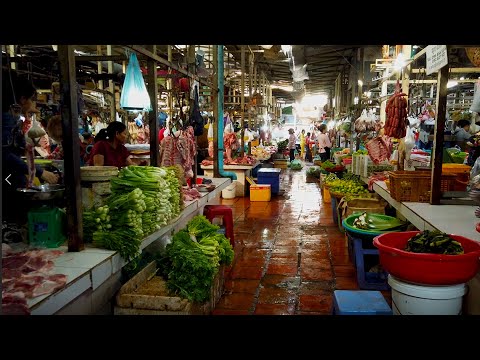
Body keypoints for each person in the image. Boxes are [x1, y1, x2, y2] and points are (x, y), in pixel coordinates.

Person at [2, 69, 59, 222]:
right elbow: (5, 156)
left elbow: (17, 146)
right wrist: (40, 172)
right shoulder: (6, 118)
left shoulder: (13, 118)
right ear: (22, 99)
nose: (34, 103)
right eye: (32, 99)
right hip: (7, 179)